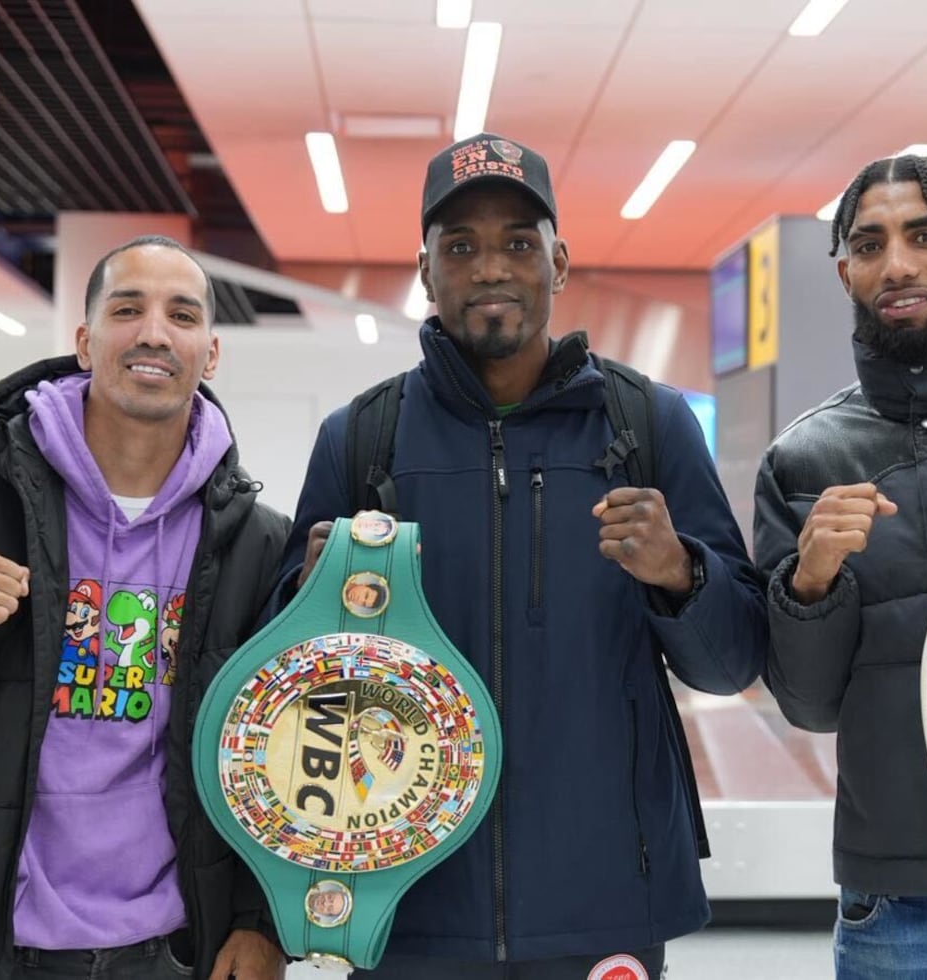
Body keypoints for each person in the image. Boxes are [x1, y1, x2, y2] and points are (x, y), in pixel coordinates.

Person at [276, 132, 768, 979]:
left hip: (602, 897)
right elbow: (286, 684)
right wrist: (309, 602)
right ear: (426, 271)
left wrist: (681, 575)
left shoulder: (646, 426)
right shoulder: (362, 439)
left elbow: (731, 663)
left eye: (517, 242)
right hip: (407, 896)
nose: (491, 267)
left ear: (560, 261)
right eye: (460, 245)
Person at [0, 236, 290, 980]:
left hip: (170, 949)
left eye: (181, 315)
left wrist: (260, 922)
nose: (155, 332)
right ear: (87, 341)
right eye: (128, 309)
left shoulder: (257, 543)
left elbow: (275, 756)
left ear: (211, 353)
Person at [753, 155, 927, 978]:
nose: (899, 265)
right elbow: (809, 707)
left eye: (926, 235)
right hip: (903, 901)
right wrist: (810, 581)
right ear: (844, 269)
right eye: (870, 244)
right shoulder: (803, 461)